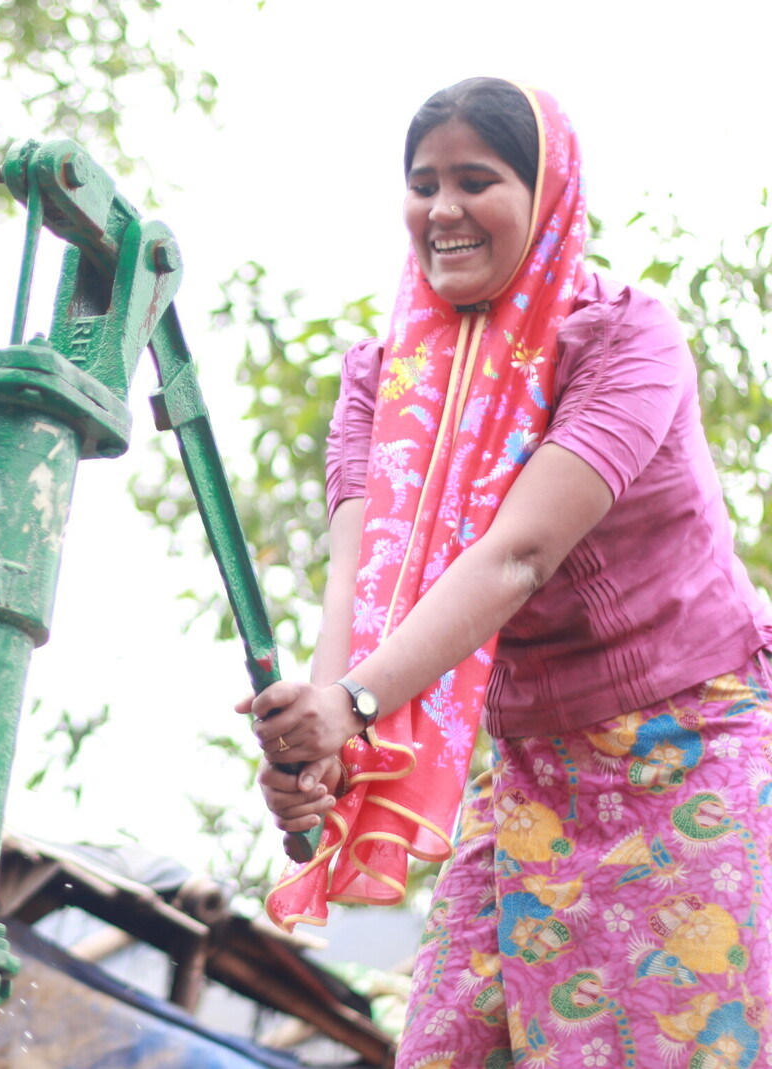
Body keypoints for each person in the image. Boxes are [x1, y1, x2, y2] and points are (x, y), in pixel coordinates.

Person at [240, 78, 772, 1067]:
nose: (440, 209)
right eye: (422, 183)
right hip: (533, 771)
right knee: (443, 1045)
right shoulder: (381, 378)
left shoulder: (623, 336)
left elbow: (520, 555)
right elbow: (364, 586)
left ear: (548, 192)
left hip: (691, 743)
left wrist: (350, 702)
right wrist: (313, 743)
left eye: (474, 180)